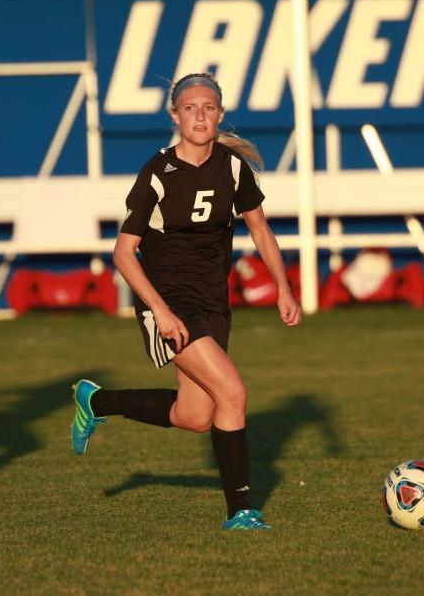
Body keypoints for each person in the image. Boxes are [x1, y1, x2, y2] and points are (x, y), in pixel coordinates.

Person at [70, 72, 301, 531]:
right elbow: (122, 252)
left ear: (220, 114)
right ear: (174, 115)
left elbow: (260, 229)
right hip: (168, 303)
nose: (200, 115)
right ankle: (240, 511)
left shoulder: (233, 168)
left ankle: (95, 403)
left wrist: (284, 287)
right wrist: (160, 310)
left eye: (209, 107)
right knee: (233, 393)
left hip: (213, 302)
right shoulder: (158, 173)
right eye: (190, 107)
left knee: (195, 415)